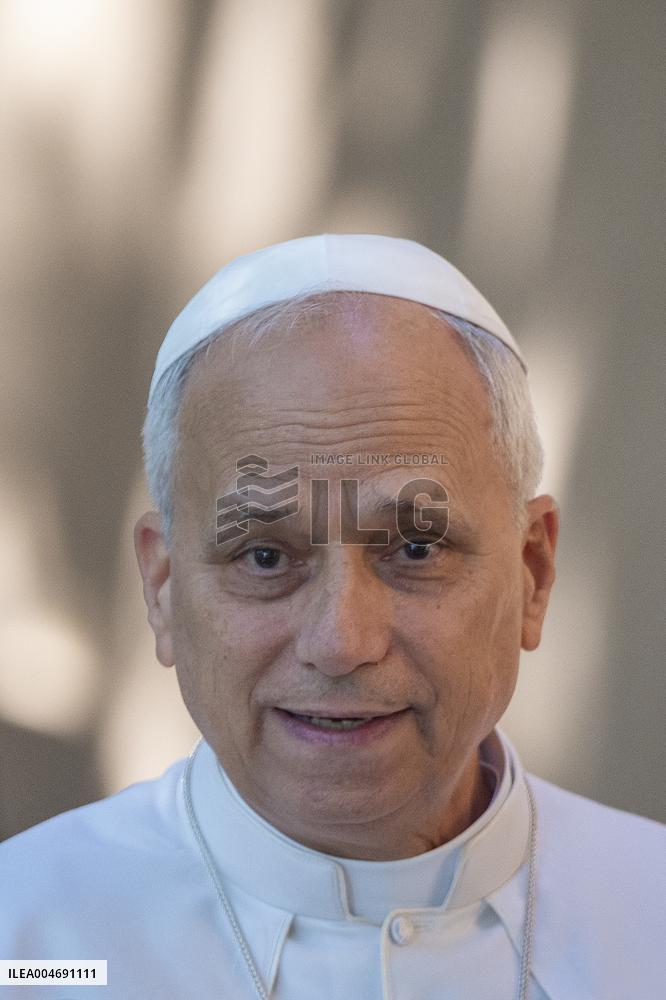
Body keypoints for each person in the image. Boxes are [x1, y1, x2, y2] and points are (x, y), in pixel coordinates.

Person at [0, 234, 663, 999]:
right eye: (265, 558)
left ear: (532, 572)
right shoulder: (31, 943)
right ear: (163, 587)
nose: (342, 642)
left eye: (415, 548)